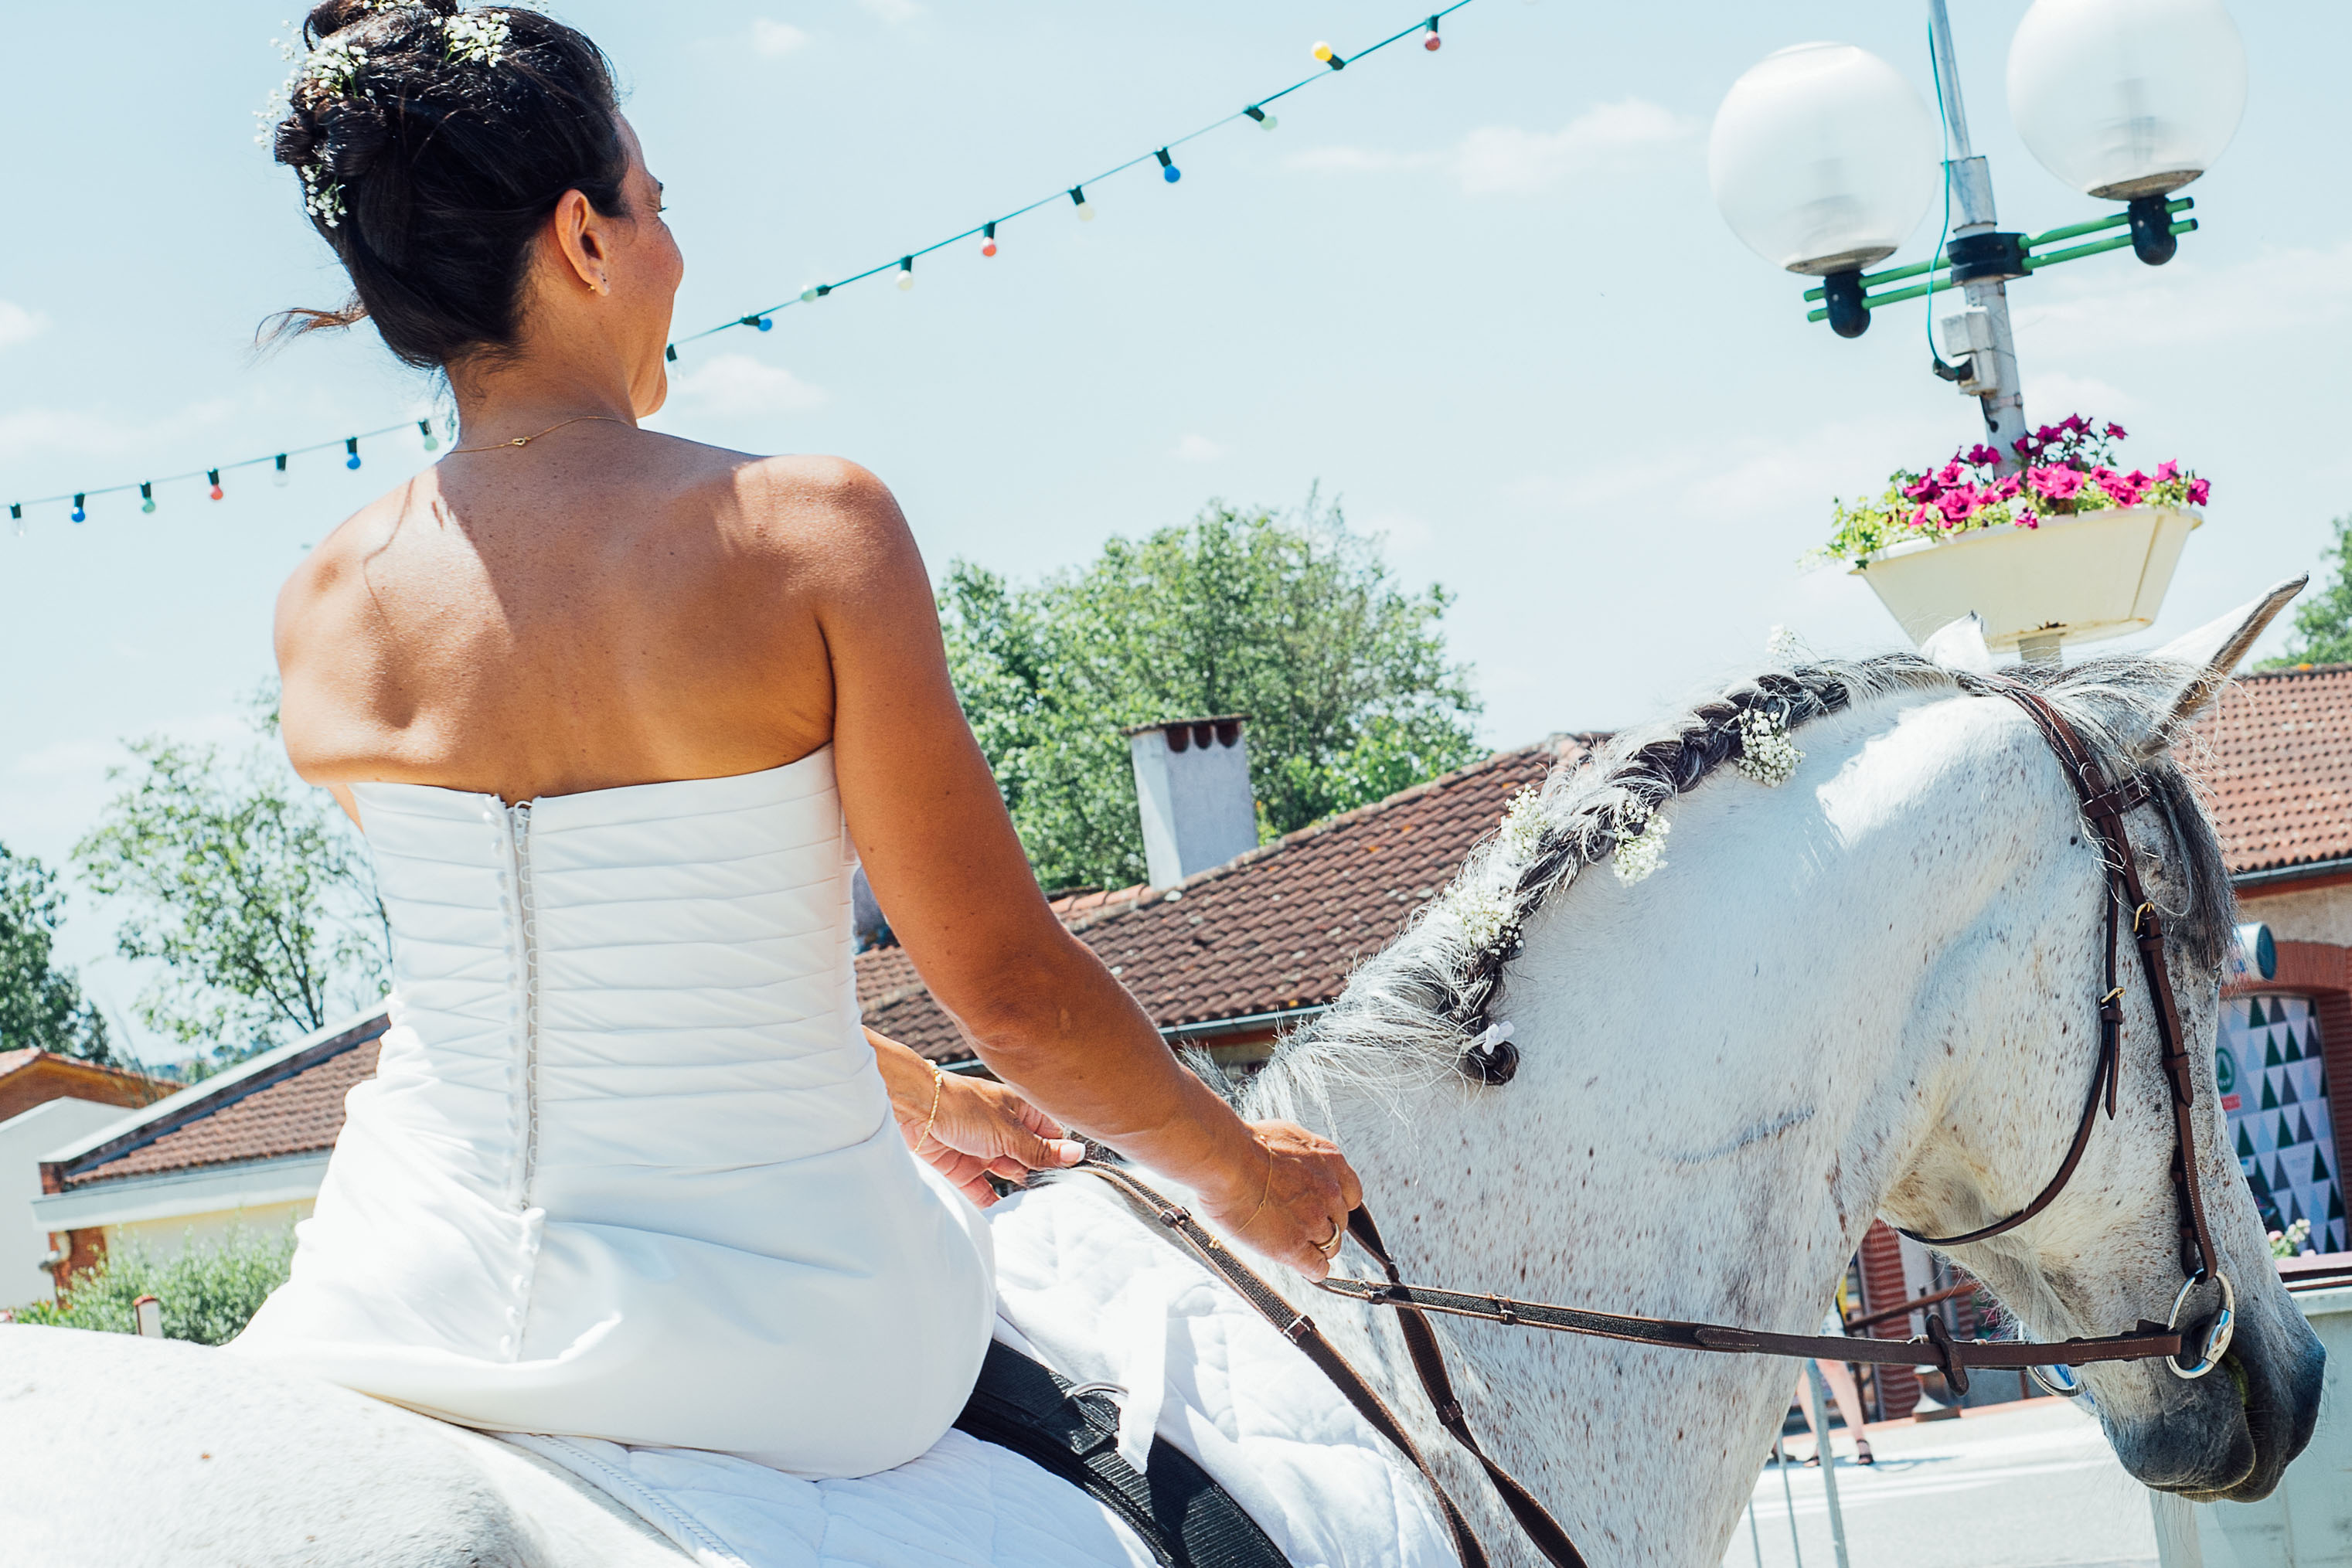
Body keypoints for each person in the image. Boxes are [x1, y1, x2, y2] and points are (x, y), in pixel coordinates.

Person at [227, 0, 1360, 1481]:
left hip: (391, 1293)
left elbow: (571, 975)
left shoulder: (322, 604)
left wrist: (932, 1099)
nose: (672, 251)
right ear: (583, 238)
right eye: (655, 207)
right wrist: (1245, 1175)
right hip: (786, 1331)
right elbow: (1015, 992)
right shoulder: (806, 532)